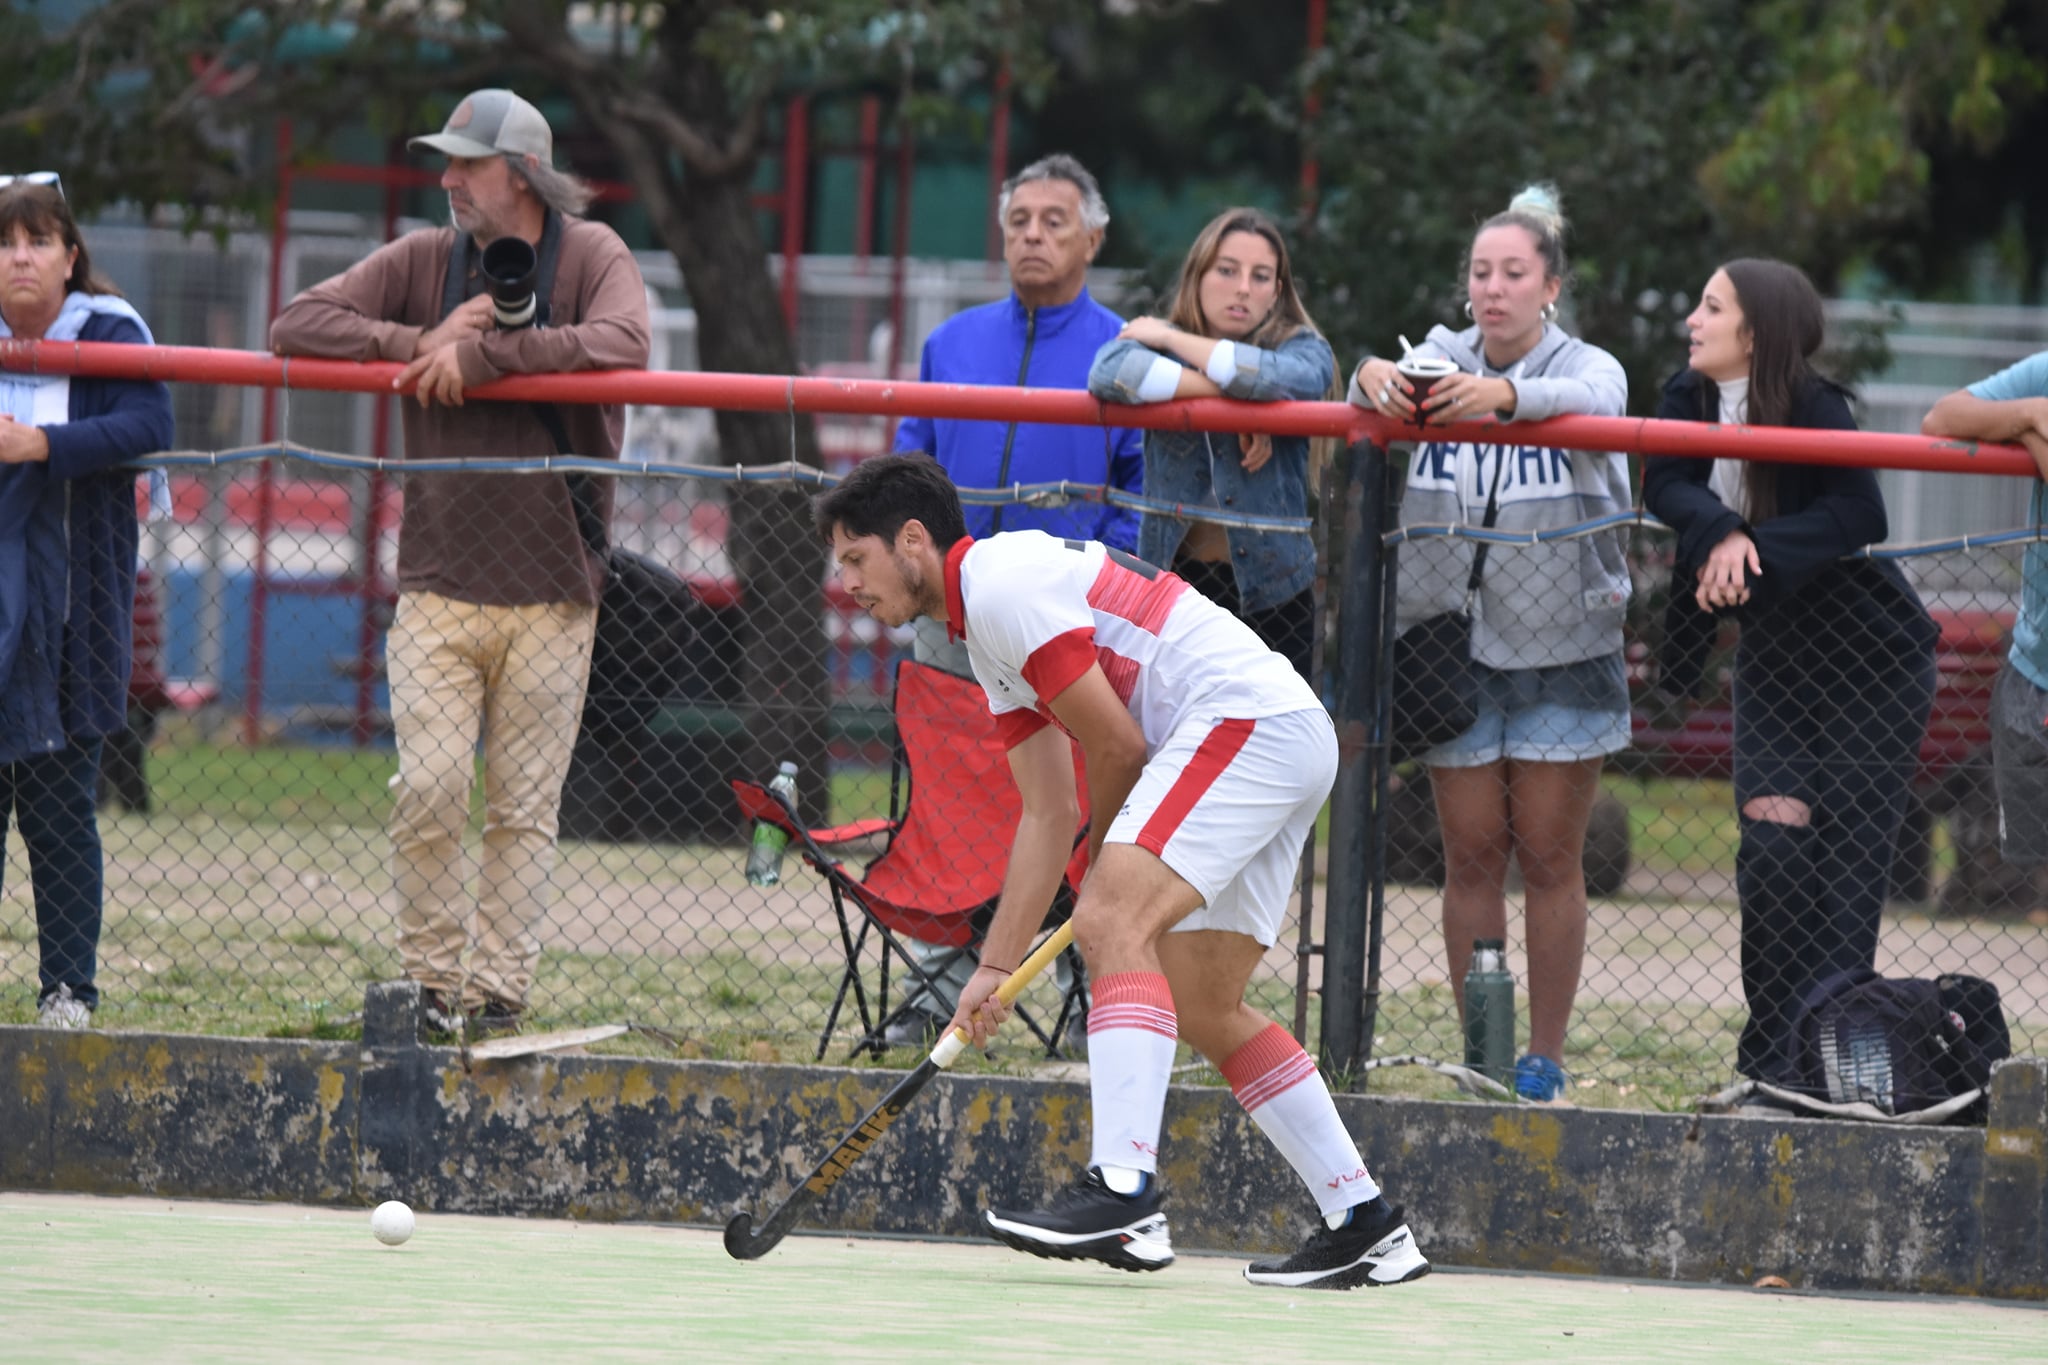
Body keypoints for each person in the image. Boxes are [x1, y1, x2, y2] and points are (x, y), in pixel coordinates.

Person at [816, 453, 1429, 1291]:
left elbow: (1117, 747)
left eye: (857, 558)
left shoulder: (1000, 585)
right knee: (1206, 1003)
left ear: (912, 541)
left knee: (1112, 921)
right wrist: (993, 968)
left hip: (1247, 722)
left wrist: (1103, 886)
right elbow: (1046, 811)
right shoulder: (985, 633)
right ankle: (1364, 1220)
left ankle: (1124, 1189)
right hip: (1272, 735)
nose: (846, 581)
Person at [271, 89, 651, 1039]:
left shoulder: (593, 251)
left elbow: (626, 340)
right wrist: (418, 340)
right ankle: (431, 985)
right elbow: (294, 324)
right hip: (438, 579)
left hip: (559, 587)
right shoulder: (425, 260)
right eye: (445, 162)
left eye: (466, 165)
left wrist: (489, 358)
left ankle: (499, 992)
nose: (447, 180)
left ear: (520, 174)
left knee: (524, 809)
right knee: (432, 787)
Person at [1348, 185, 1631, 1103]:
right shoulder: (1435, 357)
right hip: (1450, 645)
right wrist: (1365, 378)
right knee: (1471, 852)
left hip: (1562, 647)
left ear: (1551, 286)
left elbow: (1596, 400)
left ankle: (1543, 1055)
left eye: (1515, 273)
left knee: (1549, 853)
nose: (1494, 289)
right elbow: (1374, 388)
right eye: (1481, 272)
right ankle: (1483, 1049)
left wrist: (1503, 395)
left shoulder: (1588, 365)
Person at [1646, 258, 1936, 1085]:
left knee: (1846, 873)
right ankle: (1770, 1054)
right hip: (1775, 656)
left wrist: (1751, 548)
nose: (1692, 323)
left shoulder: (1815, 404)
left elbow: (1859, 511)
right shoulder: (1689, 393)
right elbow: (1664, 479)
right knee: (1773, 848)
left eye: (1710, 307)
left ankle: (1827, 1064)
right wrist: (1725, 531)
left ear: (1757, 330)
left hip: (1871, 658)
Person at [885, 153, 1143, 1039]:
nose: (1033, 234)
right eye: (1019, 220)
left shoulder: (1121, 355)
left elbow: (1139, 498)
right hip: (950, 619)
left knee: (1073, 804)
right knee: (955, 804)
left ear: (1092, 236)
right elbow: (902, 479)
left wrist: (1090, 606)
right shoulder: (950, 345)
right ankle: (940, 987)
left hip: (1067, 631)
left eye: (1054, 220)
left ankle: (1081, 983)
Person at [0, 174, 175, 1028]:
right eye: (4, 243)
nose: (20, 257)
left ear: (72, 256)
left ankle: (68, 991)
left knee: (60, 809)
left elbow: (151, 422)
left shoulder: (108, 333)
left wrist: (43, 444)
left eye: (38, 240)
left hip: (72, 614)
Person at [1088, 207, 1333, 678]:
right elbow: (1109, 373)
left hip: (1275, 596)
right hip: (1177, 588)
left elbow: (1299, 378)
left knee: (1273, 741)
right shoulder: (1156, 343)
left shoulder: (1300, 347)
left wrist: (1175, 347)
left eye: (1260, 276)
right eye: (1226, 270)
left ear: (1277, 292)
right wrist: (1242, 398)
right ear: (1198, 275)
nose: (1243, 287)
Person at [1922, 362, 2048, 880]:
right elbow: (1942, 418)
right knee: (2033, 872)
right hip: (2036, 675)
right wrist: (2030, 412)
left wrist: (2028, 431)